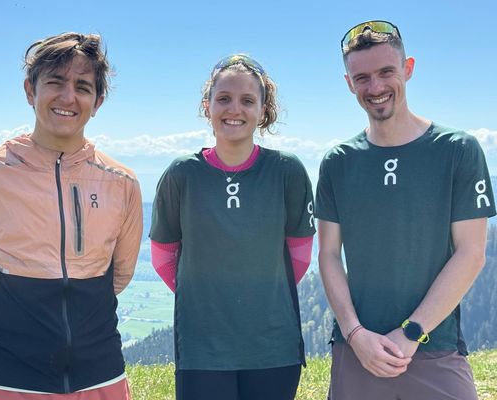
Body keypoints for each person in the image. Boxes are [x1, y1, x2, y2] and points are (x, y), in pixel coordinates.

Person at [0, 32, 142, 400]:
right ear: (30, 91)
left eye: (82, 86)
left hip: (100, 374)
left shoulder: (121, 182)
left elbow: (121, 272)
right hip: (7, 376)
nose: (68, 97)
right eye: (55, 82)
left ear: (97, 102)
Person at [315, 20, 496, 399]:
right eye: (361, 77)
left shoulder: (458, 150)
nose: (375, 87)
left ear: (408, 69)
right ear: (349, 83)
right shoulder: (338, 161)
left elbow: (471, 253)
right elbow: (329, 255)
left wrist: (412, 331)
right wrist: (355, 333)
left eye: (386, 72)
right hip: (356, 351)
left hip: (435, 348)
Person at [150, 54, 315, 400]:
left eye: (247, 100)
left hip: (273, 346)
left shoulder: (287, 172)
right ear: (207, 105)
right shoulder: (181, 174)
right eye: (223, 98)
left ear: (262, 108)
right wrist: (207, 300)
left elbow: (298, 257)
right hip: (201, 347)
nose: (234, 109)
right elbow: (163, 256)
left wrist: (255, 299)